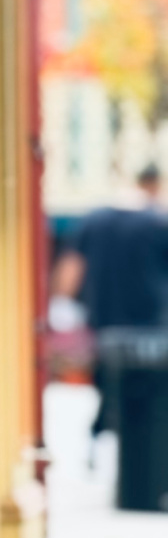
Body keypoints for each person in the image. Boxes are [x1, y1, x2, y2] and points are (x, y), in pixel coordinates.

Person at [52, 163, 168, 438]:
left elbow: (72, 267)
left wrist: (61, 305)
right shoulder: (160, 222)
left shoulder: (95, 220)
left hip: (105, 321)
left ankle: (103, 433)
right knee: (151, 392)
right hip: (152, 325)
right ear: (156, 185)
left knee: (108, 383)